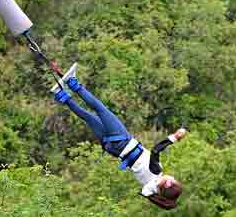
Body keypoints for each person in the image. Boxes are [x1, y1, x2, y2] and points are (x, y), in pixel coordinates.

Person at [53, 67, 187, 209]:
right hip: (113, 149)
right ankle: (61, 95)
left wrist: (174, 137)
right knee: (89, 118)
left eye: (173, 180)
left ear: (167, 184)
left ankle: (72, 82)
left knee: (101, 109)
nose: (172, 177)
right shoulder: (148, 189)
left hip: (123, 141)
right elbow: (148, 194)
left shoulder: (156, 172)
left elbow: (155, 151)